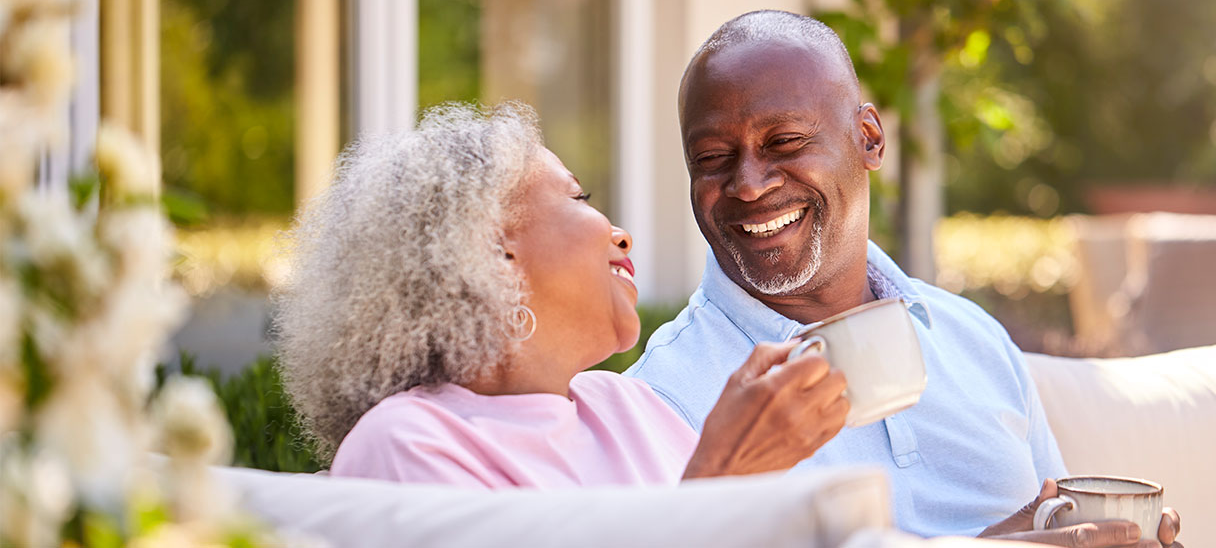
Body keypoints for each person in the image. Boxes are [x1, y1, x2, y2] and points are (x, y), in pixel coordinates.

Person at [623, 10, 1182, 547]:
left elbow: (1057, 514)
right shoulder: (665, 397)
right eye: (713, 157)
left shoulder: (972, 339)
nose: (747, 184)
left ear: (869, 137)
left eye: (785, 142)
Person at [273, 102, 850, 489]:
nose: (621, 233)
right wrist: (723, 478)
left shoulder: (631, 408)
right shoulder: (407, 444)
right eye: (577, 199)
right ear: (489, 254)